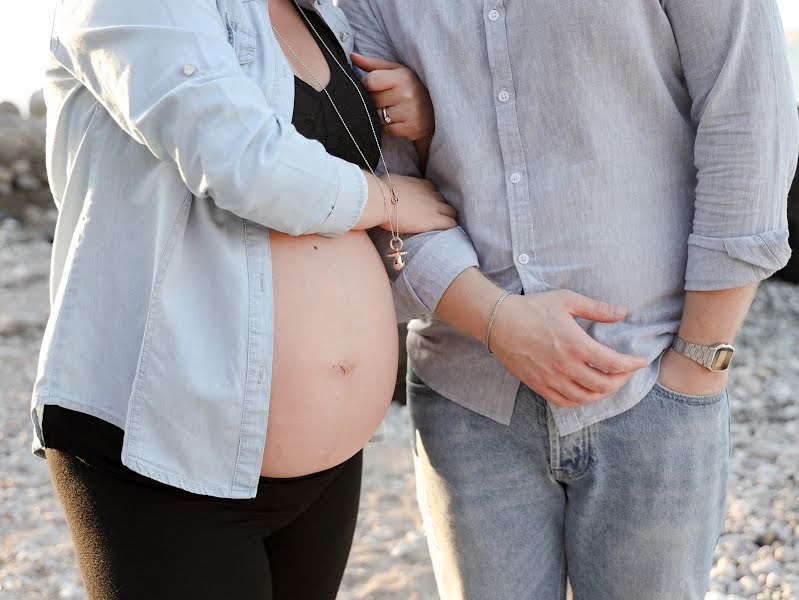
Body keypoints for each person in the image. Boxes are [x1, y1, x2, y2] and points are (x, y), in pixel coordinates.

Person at [342, 1, 799, 598]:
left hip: (654, 380)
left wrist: (699, 361)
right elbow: (381, 186)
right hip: (469, 400)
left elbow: (749, 115)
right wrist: (497, 320)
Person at [30, 0, 455, 598]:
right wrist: (384, 198)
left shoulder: (317, 10)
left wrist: (415, 104)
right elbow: (242, 161)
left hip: (325, 467)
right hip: (167, 455)